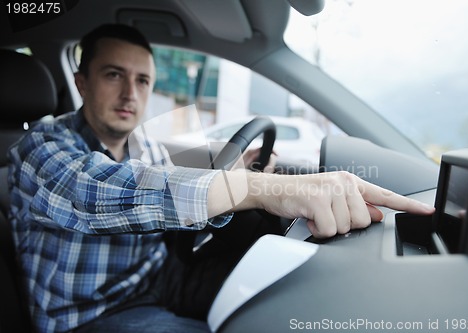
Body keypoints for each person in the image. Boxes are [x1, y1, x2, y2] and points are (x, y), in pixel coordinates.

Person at [7, 24, 435, 333]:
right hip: (92, 313)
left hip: (158, 277)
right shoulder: (41, 146)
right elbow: (94, 193)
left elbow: (168, 185)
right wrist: (257, 189)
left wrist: (235, 174)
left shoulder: (145, 147)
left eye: (142, 80)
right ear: (82, 82)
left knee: (282, 295)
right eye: (113, 75)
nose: (130, 94)